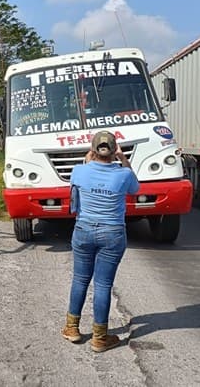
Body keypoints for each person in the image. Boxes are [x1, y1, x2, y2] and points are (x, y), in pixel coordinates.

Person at [61, 131, 139, 353]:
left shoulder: (79, 171)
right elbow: (135, 189)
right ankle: (100, 338)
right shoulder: (123, 175)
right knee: (103, 284)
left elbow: (84, 171)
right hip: (112, 233)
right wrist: (123, 159)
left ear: (93, 150)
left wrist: (91, 157)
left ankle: (72, 328)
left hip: (84, 230)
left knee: (80, 279)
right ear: (114, 151)